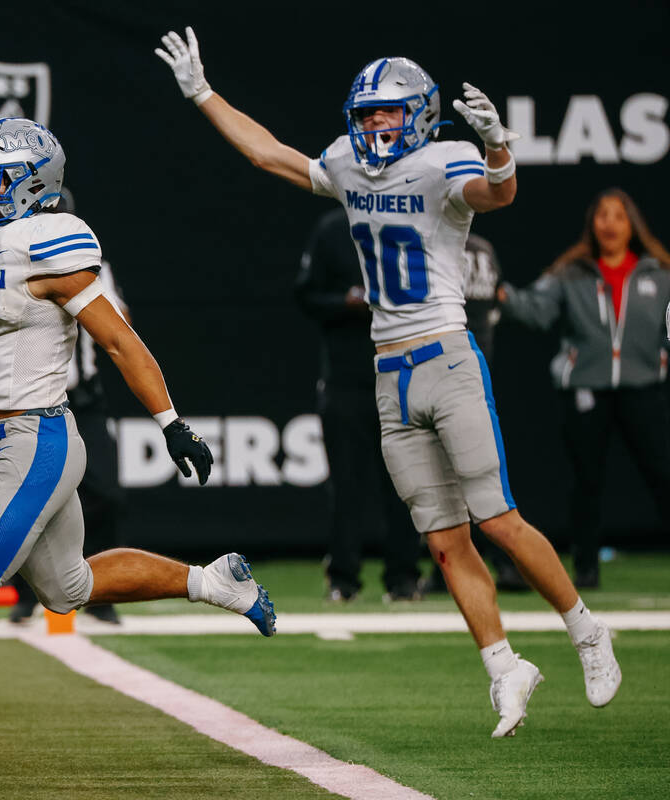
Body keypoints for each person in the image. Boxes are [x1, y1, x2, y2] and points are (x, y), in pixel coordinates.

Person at [156, 28, 620, 737]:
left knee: (497, 518)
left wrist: (498, 145)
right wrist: (202, 94)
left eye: (388, 111)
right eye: (366, 112)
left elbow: (497, 194)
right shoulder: (347, 162)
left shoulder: (442, 160)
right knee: (442, 538)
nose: (375, 124)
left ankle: (587, 631)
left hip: (446, 357)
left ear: (421, 113)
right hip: (387, 373)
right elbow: (268, 153)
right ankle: (505, 668)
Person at [0, 117, 276, 769]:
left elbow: (119, 342)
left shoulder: (51, 246)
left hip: (36, 441)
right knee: (68, 586)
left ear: (34, 186)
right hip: (15, 437)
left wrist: (171, 422)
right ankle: (216, 581)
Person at [499, 188, 670, 589]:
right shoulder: (571, 273)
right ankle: (586, 568)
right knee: (586, 482)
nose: (610, 223)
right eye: (602, 215)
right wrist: (500, 293)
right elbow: (536, 310)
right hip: (586, 389)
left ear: (632, 226)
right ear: (592, 224)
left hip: (643, 386)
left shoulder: (659, 274)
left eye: (618, 216)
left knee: (663, 474)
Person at [9, 193, 130, 625]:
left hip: (82, 398)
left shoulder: (89, 265)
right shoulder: (10, 267)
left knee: (106, 493)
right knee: (28, 498)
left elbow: (119, 324)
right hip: (32, 400)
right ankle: (26, 594)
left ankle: (99, 592)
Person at [294, 207, 421, 602]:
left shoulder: (405, 223)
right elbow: (306, 294)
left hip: (400, 376)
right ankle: (343, 579)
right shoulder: (333, 229)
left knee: (405, 484)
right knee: (347, 484)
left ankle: (404, 578)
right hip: (346, 377)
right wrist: (345, 301)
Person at [421, 233, 531, 594]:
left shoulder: (434, 242)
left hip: (443, 370)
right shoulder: (486, 249)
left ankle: (476, 565)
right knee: (482, 474)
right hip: (479, 370)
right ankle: (505, 563)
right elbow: (494, 309)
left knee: (454, 477)